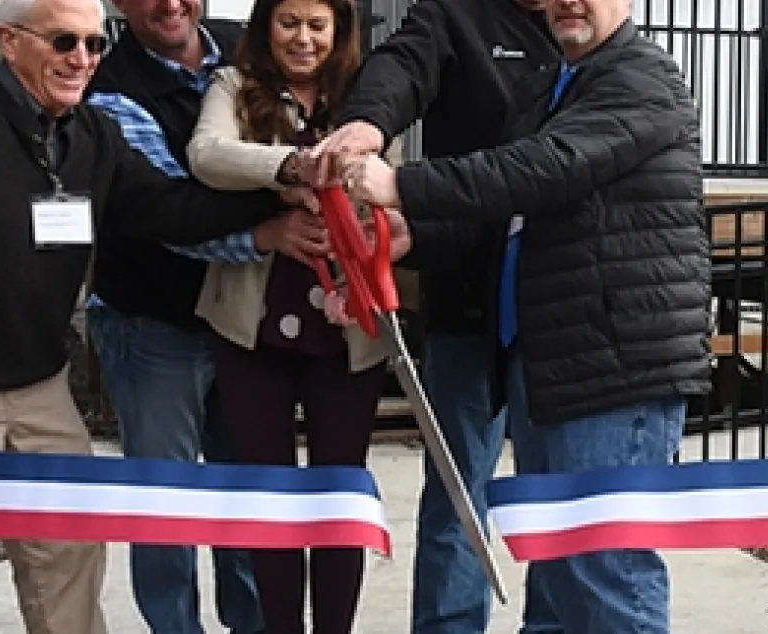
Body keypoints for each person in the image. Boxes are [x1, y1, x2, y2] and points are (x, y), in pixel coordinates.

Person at [0, 0, 299, 629]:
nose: (82, 59)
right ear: (9, 41)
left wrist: (288, 189)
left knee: (69, 574)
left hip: (42, 393)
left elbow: (169, 210)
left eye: (96, 45)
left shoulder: (91, 137)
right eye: (63, 42)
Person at [339, 0, 710, 630]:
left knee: (605, 574)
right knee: (562, 572)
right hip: (553, 362)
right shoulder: (553, 88)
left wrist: (401, 186)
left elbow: (541, 171)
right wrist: (413, 236)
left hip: (612, 367)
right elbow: (508, 221)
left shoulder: (640, 79)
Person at [309, 2, 558, 630]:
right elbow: (401, 65)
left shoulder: (589, 31)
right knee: (457, 494)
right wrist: (366, 125)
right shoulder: (454, 14)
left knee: (557, 501)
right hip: (465, 293)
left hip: (558, 309)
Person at [79, 2, 293, 632]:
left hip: (243, 321)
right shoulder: (108, 86)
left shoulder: (247, 51)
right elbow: (168, 211)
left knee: (247, 497)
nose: (171, 3)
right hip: (154, 324)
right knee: (166, 508)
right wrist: (274, 221)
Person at [182, 0, 390, 631]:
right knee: (269, 501)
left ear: (339, 32)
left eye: (318, 25)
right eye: (289, 22)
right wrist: (289, 170)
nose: (303, 38)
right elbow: (207, 153)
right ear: (265, 28)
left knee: (339, 499)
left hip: (349, 330)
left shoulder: (368, 99)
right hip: (251, 327)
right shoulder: (232, 87)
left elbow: (393, 180)